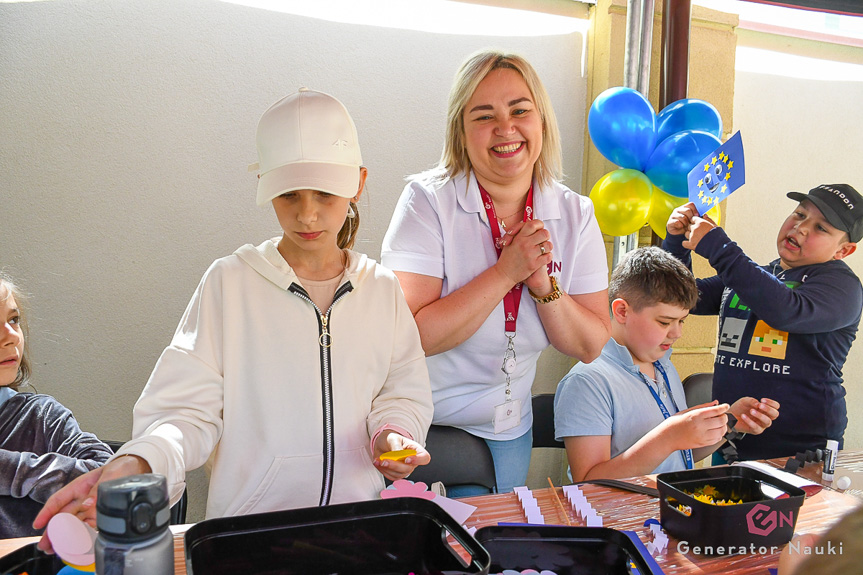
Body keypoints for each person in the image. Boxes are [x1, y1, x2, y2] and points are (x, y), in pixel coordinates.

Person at [34, 89, 433, 541]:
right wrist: (140, 459)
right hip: (245, 539)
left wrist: (393, 432)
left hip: (358, 533)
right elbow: (186, 412)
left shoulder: (380, 290)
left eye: (324, 192)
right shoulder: (229, 283)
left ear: (358, 183)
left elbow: (403, 387)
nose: (307, 213)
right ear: (265, 185)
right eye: (288, 194)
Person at [381, 49, 610, 495]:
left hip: (505, 431)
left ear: (541, 121)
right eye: (484, 116)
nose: (506, 129)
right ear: (461, 133)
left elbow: (589, 343)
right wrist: (507, 271)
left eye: (520, 111)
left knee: (485, 554)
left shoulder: (575, 213)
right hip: (413, 426)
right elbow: (414, 336)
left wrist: (544, 285)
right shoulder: (427, 201)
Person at [664, 184, 863, 461]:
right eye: (800, 214)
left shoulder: (842, 286)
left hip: (800, 454)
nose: (802, 228)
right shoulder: (759, 276)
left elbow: (785, 310)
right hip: (730, 440)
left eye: (821, 228)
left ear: (844, 250)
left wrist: (719, 246)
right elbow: (680, 297)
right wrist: (676, 242)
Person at [553, 247, 779, 481]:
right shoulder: (588, 381)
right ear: (621, 311)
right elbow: (588, 482)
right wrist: (669, 436)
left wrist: (730, 423)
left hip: (668, 508)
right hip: (619, 515)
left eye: (682, 321)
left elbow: (681, 454)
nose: (677, 333)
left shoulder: (663, 366)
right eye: (664, 322)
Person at [0, 272, 113, 537]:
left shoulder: (41, 416)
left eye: (13, 320)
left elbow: (108, 478)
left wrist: (8, 468)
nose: (11, 336)